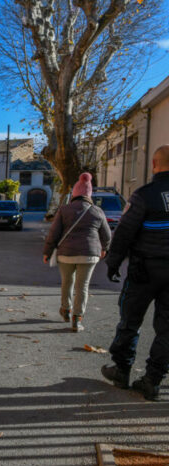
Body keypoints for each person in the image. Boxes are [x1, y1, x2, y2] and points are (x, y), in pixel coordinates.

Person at [101, 145, 169, 401]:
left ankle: (122, 369)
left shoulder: (145, 195)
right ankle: (153, 379)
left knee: (130, 320)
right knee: (167, 329)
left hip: (145, 270)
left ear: (154, 164)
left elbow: (124, 232)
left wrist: (113, 263)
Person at [43, 173, 111, 332]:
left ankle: (65, 310)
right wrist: (104, 248)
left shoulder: (64, 210)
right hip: (89, 254)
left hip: (66, 254)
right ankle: (77, 319)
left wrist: (47, 251)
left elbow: (54, 233)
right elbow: (106, 235)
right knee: (83, 286)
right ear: (89, 194)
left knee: (67, 282)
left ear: (74, 193)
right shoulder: (97, 211)